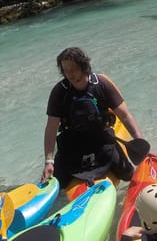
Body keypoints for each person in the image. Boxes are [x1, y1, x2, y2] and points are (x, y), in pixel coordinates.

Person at [41, 47, 144, 188]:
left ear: (83, 66)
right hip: (72, 144)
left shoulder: (101, 84)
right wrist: (49, 161)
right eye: (66, 70)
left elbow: (125, 116)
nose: (69, 74)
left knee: (127, 173)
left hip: (101, 140)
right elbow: (51, 129)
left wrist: (139, 141)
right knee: (56, 184)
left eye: (73, 69)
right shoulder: (59, 92)